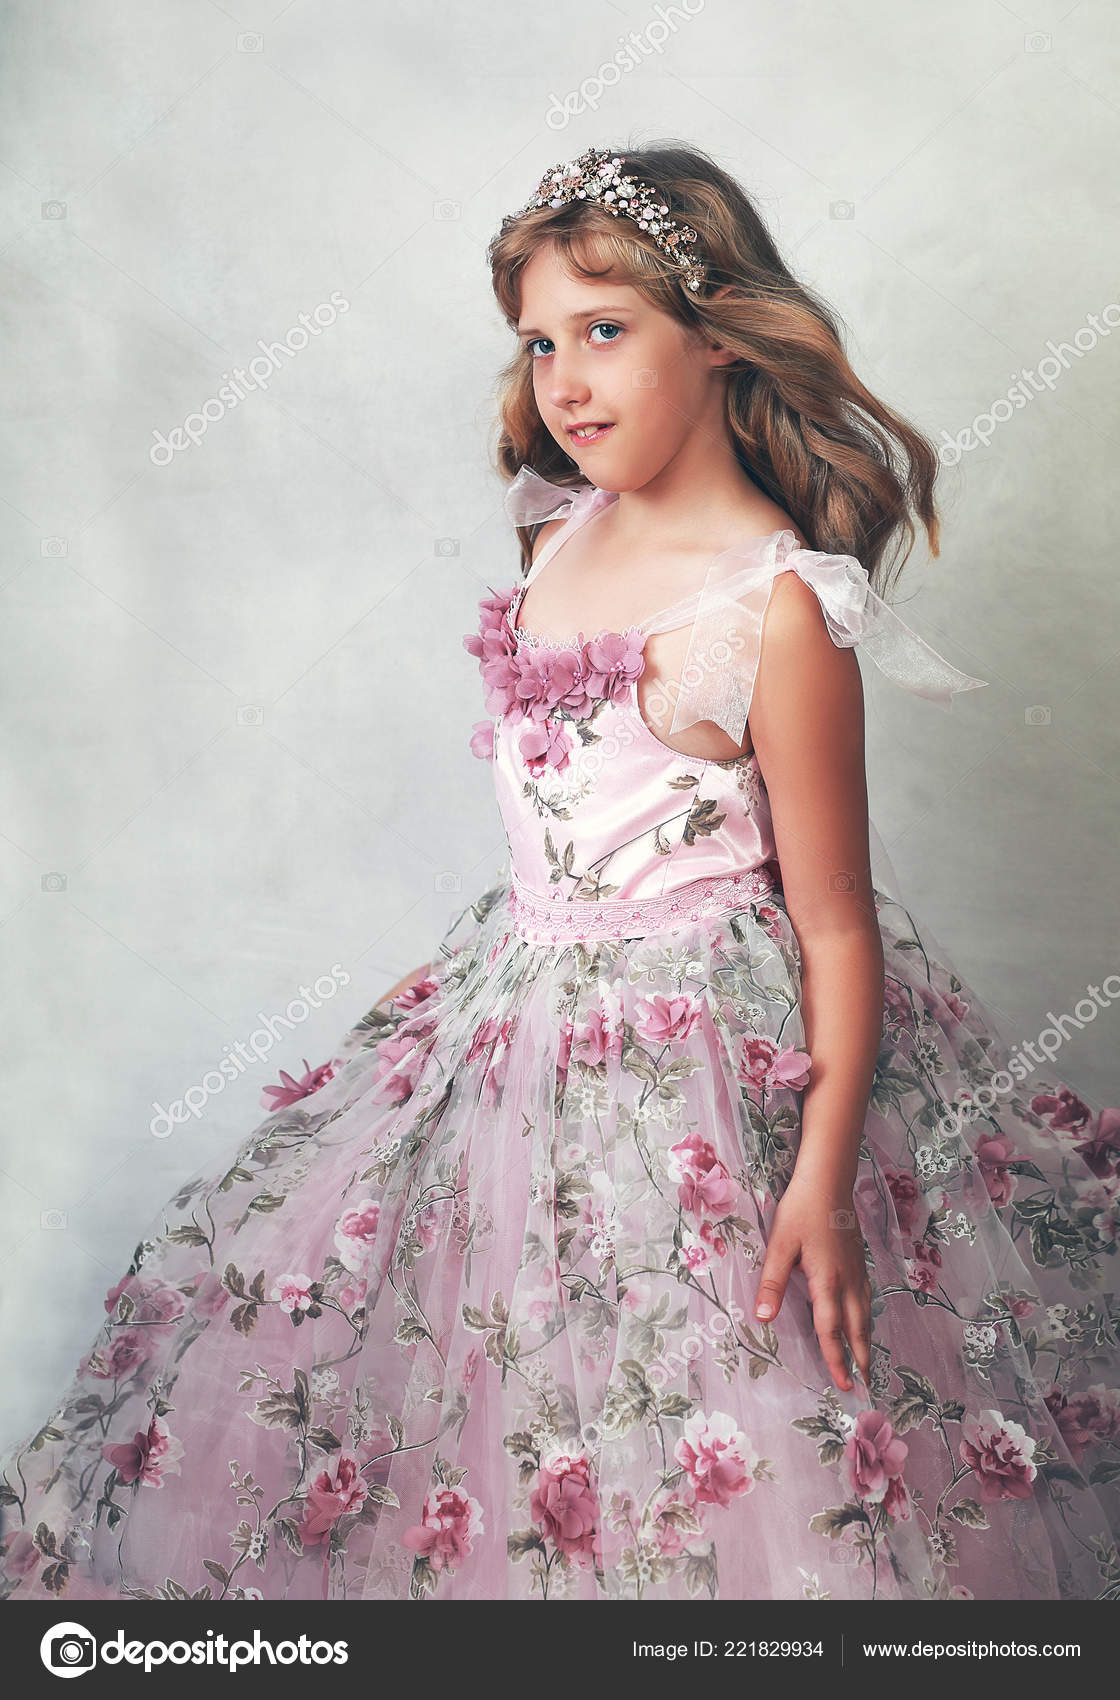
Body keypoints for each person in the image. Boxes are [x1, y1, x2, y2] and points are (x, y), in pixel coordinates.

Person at [2, 142, 1118, 1605]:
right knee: (492, 1378)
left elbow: (836, 924)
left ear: (717, 335)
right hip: (514, 1024)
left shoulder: (779, 609)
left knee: (716, 1385)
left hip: (708, 1067)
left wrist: (826, 1184)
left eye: (607, 331)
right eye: (539, 343)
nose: (566, 382)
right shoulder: (553, 532)